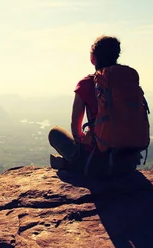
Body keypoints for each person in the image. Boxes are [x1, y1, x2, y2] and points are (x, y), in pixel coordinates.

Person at [48, 35, 147, 175]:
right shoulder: (127, 80)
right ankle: (74, 164)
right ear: (116, 55)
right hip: (128, 159)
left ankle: (75, 164)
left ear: (92, 58)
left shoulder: (85, 84)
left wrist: (85, 141)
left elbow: (75, 129)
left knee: (55, 132)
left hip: (97, 159)